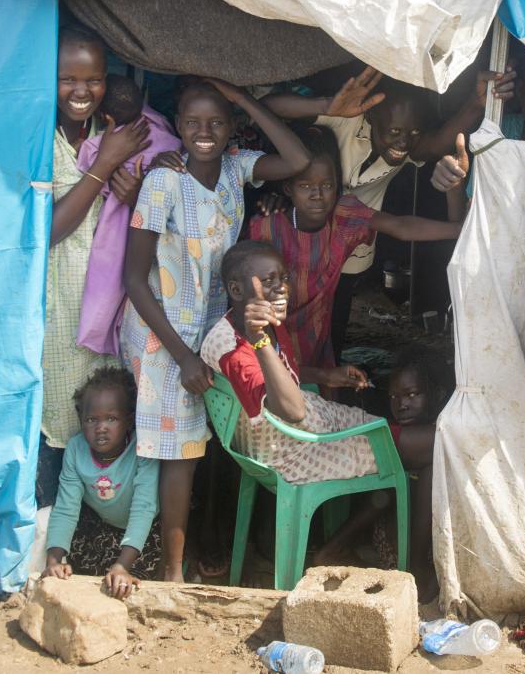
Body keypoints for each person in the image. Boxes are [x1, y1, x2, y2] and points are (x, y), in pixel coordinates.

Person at [121, 78, 308, 582]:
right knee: (180, 452)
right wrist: (182, 356)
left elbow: (297, 160)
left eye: (217, 122)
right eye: (193, 123)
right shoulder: (163, 182)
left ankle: (199, 551)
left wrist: (244, 101)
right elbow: (133, 280)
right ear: (178, 126)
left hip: (210, 332)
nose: (205, 132)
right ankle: (172, 573)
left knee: (210, 442)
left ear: (231, 127)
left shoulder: (235, 167)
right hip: (163, 335)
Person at [199, 240, 439, 599]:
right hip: (295, 450)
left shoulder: (252, 321)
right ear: (236, 289)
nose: (282, 287)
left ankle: (338, 545)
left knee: (405, 438)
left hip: (309, 424)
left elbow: (285, 377)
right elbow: (291, 410)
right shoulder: (237, 346)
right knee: (439, 445)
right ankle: (417, 567)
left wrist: (326, 376)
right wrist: (259, 340)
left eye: (283, 277)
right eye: (269, 280)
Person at [262, 66, 512, 353]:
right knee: (291, 313)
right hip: (302, 241)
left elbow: (434, 148)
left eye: (413, 132)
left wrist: (476, 103)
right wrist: (325, 106)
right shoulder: (345, 120)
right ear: (371, 118)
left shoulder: (405, 147)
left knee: (335, 320)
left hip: (351, 247)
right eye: (394, 131)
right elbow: (269, 108)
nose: (403, 142)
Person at [249, 127, 466, 374]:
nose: (317, 195)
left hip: (316, 345)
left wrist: (460, 230)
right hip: (269, 346)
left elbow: (401, 226)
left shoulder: (344, 215)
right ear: (288, 188)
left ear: (337, 184)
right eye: (305, 185)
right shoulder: (265, 227)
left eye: (326, 185)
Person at [41, 29, 148, 509]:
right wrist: (104, 166)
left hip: (110, 304)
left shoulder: (117, 132)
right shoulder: (38, 136)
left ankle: (107, 512)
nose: (81, 91)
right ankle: (53, 518)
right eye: (67, 79)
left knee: (108, 406)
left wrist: (133, 193)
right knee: (60, 410)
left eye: (94, 79)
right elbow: (47, 231)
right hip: (59, 302)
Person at [75, 75, 183, 356]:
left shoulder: (101, 144)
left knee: (109, 277)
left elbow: (86, 165)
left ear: (105, 117)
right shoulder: (159, 125)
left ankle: (98, 333)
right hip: (152, 220)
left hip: (122, 215)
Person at [43, 367, 160, 599]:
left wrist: (123, 566)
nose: (101, 428)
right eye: (91, 419)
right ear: (80, 419)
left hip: (146, 528)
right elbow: (66, 508)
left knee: (132, 579)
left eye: (111, 418)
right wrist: (53, 560)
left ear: (129, 420)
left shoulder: (143, 447)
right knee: (85, 571)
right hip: (104, 524)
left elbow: (144, 508)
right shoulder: (76, 449)